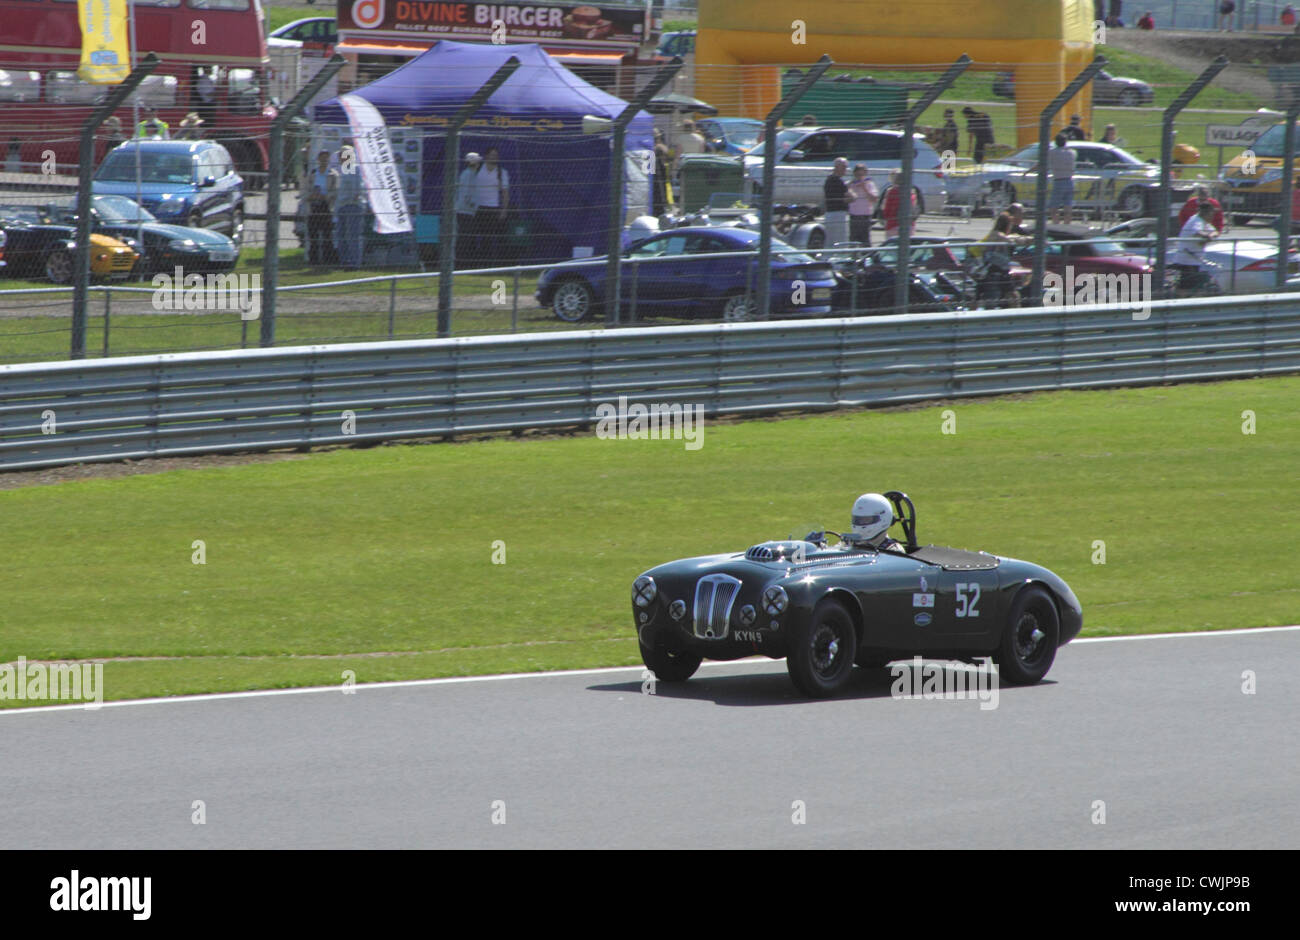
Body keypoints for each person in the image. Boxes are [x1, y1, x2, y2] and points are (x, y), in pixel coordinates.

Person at [1168, 201, 1221, 290]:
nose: (1213, 215)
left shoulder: (1204, 222)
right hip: (1187, 260)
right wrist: (1207, 236)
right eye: (1212, 212)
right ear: (1206, 213)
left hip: (1193, 260)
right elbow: (1197, 232)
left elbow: (1215, 231)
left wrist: (1210, 236)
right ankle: (1179, 300)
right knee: (1186, 288)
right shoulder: (1196, 221)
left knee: (1191, 286)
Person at [472, 146, 509, 268]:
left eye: (496, 155)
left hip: (493, 208)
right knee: (480, 236)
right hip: (479, 208)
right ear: (486, 156)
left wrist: (504, 210)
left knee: (491, 236)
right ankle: (479, 263)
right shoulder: (478, 169)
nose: (494, 157)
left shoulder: (501, 172)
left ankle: (492, 263)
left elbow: (505, 193)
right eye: (491, 155)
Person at [334, 143, 365, 269]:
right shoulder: (341, 169)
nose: (342, 157)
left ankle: (354, 262)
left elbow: (356, 190)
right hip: (341, 206)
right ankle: (344, 261)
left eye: (344, 154)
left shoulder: (355, 168)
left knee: (353, 236)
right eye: (341, 155)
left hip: (352, 205)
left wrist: (350, 199)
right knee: (341, 235)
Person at [306, 149, 338, 266]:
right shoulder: (313, 174)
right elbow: (306, 190)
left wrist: (325, 196)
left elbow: (335, 192)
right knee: (313, 234)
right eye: (322, 157)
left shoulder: (333, 174)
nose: (324, 160)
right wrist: (311, 196)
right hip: (314, 205)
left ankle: (327, 259)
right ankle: (313, 259)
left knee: (326, 234)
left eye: (326, 157)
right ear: (318, 159)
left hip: (326, 206)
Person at [455, 151, 481, 267]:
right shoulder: (467, 174)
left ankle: (465, 261)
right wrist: (471, 204)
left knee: (467, 236)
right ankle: (460, 262)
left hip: (469, 211)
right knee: (464, 237)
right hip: (464, 211)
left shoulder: (472, 174)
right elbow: (465, 193)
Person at [846, 164, 879, 246]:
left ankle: (866, 256)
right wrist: (850, 187)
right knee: (853, 239)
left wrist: (864, 188)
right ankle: (853, 256)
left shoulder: (870, 184)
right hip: (854, 216)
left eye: (861, 175)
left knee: (865, 239)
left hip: (865, 216)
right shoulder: (850, 184)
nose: (859, 177)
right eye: (857, 174)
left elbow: (874, 199)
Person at [1048, 132, 1077, 224]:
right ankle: (1067, 225)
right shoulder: (1072, 153)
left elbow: (1042, 163)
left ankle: (1056, 224)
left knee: (1054, 208)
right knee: (1068, 208)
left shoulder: (1053, 152)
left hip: (1058, 181)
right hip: (1070, 181)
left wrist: (1028, 171)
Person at [880, 170, 918, 239]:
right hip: (909, 225)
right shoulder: (911, 192)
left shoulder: (891, 192)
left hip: (893, 225)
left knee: (892, 247)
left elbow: (886, 211)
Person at [823, 157, 851, 246]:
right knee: (840, 240)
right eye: (844, 167)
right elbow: (849, 198)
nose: (845, 170)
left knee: (831, 240)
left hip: (831, 213)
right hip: (837, 214)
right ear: (837, 167)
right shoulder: (836, 181)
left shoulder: (829, 179)